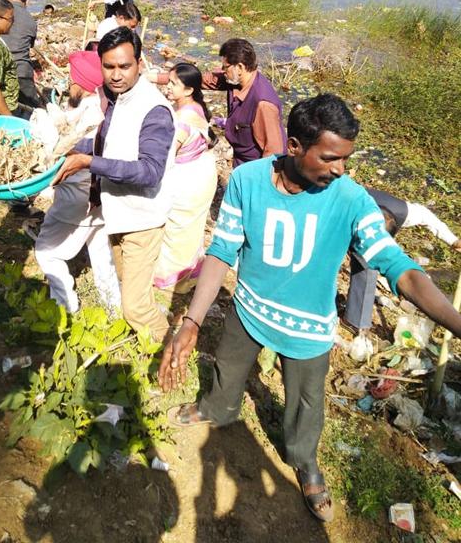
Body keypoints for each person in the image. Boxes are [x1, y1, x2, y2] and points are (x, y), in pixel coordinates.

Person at [159, 93, 461, 524]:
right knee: (227, 370)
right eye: (331, 157)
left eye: (345, 159)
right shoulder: (247, 180)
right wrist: (191, 321)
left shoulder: (352, 199)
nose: (340, 169)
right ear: (296, 146)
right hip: (248, 310)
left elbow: (402, 270)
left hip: (307, 330)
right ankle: (216, 410)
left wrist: (456, 322)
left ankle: (306, 465)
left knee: (305, 406)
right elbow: (222, 251)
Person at [54, 27, 175, 341]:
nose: (117, 74)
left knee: (133, 307)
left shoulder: (154, 110)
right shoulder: (116, 97)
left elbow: (150, 171)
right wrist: (70, 150)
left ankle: (169, 355)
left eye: (125, 66)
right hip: (119, 212)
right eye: (109, 67)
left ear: (139, 64)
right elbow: (103, 142)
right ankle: (146, 336)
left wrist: (88, 163)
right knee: (130, 286)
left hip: (143, 219)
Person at [35, 51, 122, 313]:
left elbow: (71, 150)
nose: (69, 85)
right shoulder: (103, 106)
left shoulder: (89, 116)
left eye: (72, 80)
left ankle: (65, 306)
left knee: (46, 252)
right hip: (101, 194)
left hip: (78, 195)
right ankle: (113, 307)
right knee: (99, 250)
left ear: (81, 84)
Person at [149, 37, 286, 167]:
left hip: (253, 167)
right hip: (239, 161)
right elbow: (197, 80)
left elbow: (273, 152)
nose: (222, 71)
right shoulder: (235, 81)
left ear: (239, 67)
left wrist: (259, 182)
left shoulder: (263, 102)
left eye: (225, 67)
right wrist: (153, 77)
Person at [345, 186, 461, 330]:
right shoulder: (348, 204)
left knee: (372, 259)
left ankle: (355, 321)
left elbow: (426, 215)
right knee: (364, 266)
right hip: (345, 219)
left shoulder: (400, 210)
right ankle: (356, 322)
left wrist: (453, 240)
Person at [153, 63, 218, 294]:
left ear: (189, 90)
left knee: (177, 230)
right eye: (168, 82)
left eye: (173, 84)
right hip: (201, 173)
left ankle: (172, 279)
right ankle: (190, 271)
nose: (168, 87)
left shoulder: (181, 122)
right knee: (191, 229)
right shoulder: (196, 107)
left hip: (187, 181)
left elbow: (165, 159)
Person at [1, 0, 43, 109]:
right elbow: (29, 46)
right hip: (22, 71)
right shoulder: (30, 20)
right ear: (27, 2)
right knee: (33, 109)